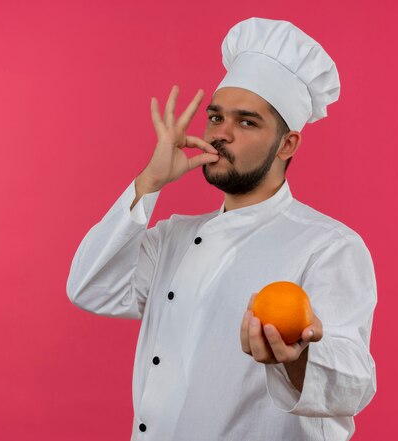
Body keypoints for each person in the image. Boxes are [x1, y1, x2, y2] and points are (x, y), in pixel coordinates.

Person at [67, 17, 377, 441]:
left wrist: (295, 358)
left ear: (287, 144)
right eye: (216, 118)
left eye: (247, 122)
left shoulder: (329, 246)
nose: (221, 135)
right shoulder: (172, 238)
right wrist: (149, 183)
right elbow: (89, 286)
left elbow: (355, 382)